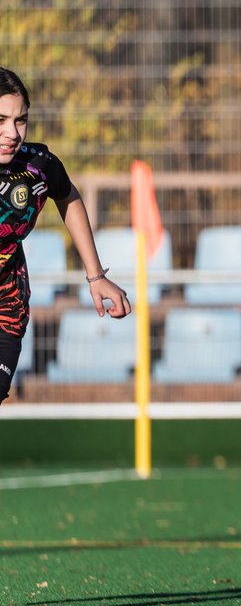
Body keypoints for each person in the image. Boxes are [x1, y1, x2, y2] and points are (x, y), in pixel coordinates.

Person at [0, 67, 131, 404]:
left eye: (20, 120)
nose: (12, 133)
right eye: (0, 120)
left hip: (6, 308)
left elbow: (68, 197)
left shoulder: (38, 167)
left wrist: (96, 276)